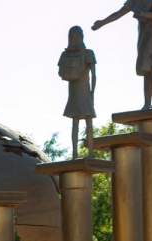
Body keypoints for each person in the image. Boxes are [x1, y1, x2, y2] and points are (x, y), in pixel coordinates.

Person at [92, 0, 152, 109]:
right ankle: (147, 103)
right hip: (143, 33)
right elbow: (119, 13)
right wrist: (102, 22)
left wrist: (142, 14)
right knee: (146, 69)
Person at [57, 25, 96, 158]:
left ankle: (75, 153)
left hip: (74, 92)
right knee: (88, 122)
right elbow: (94, 76)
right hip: (84, 92)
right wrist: (92, 93)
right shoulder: (88, 53)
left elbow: (60, 72)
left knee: (76, 122)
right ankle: (90, 152)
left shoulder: (67, 55)